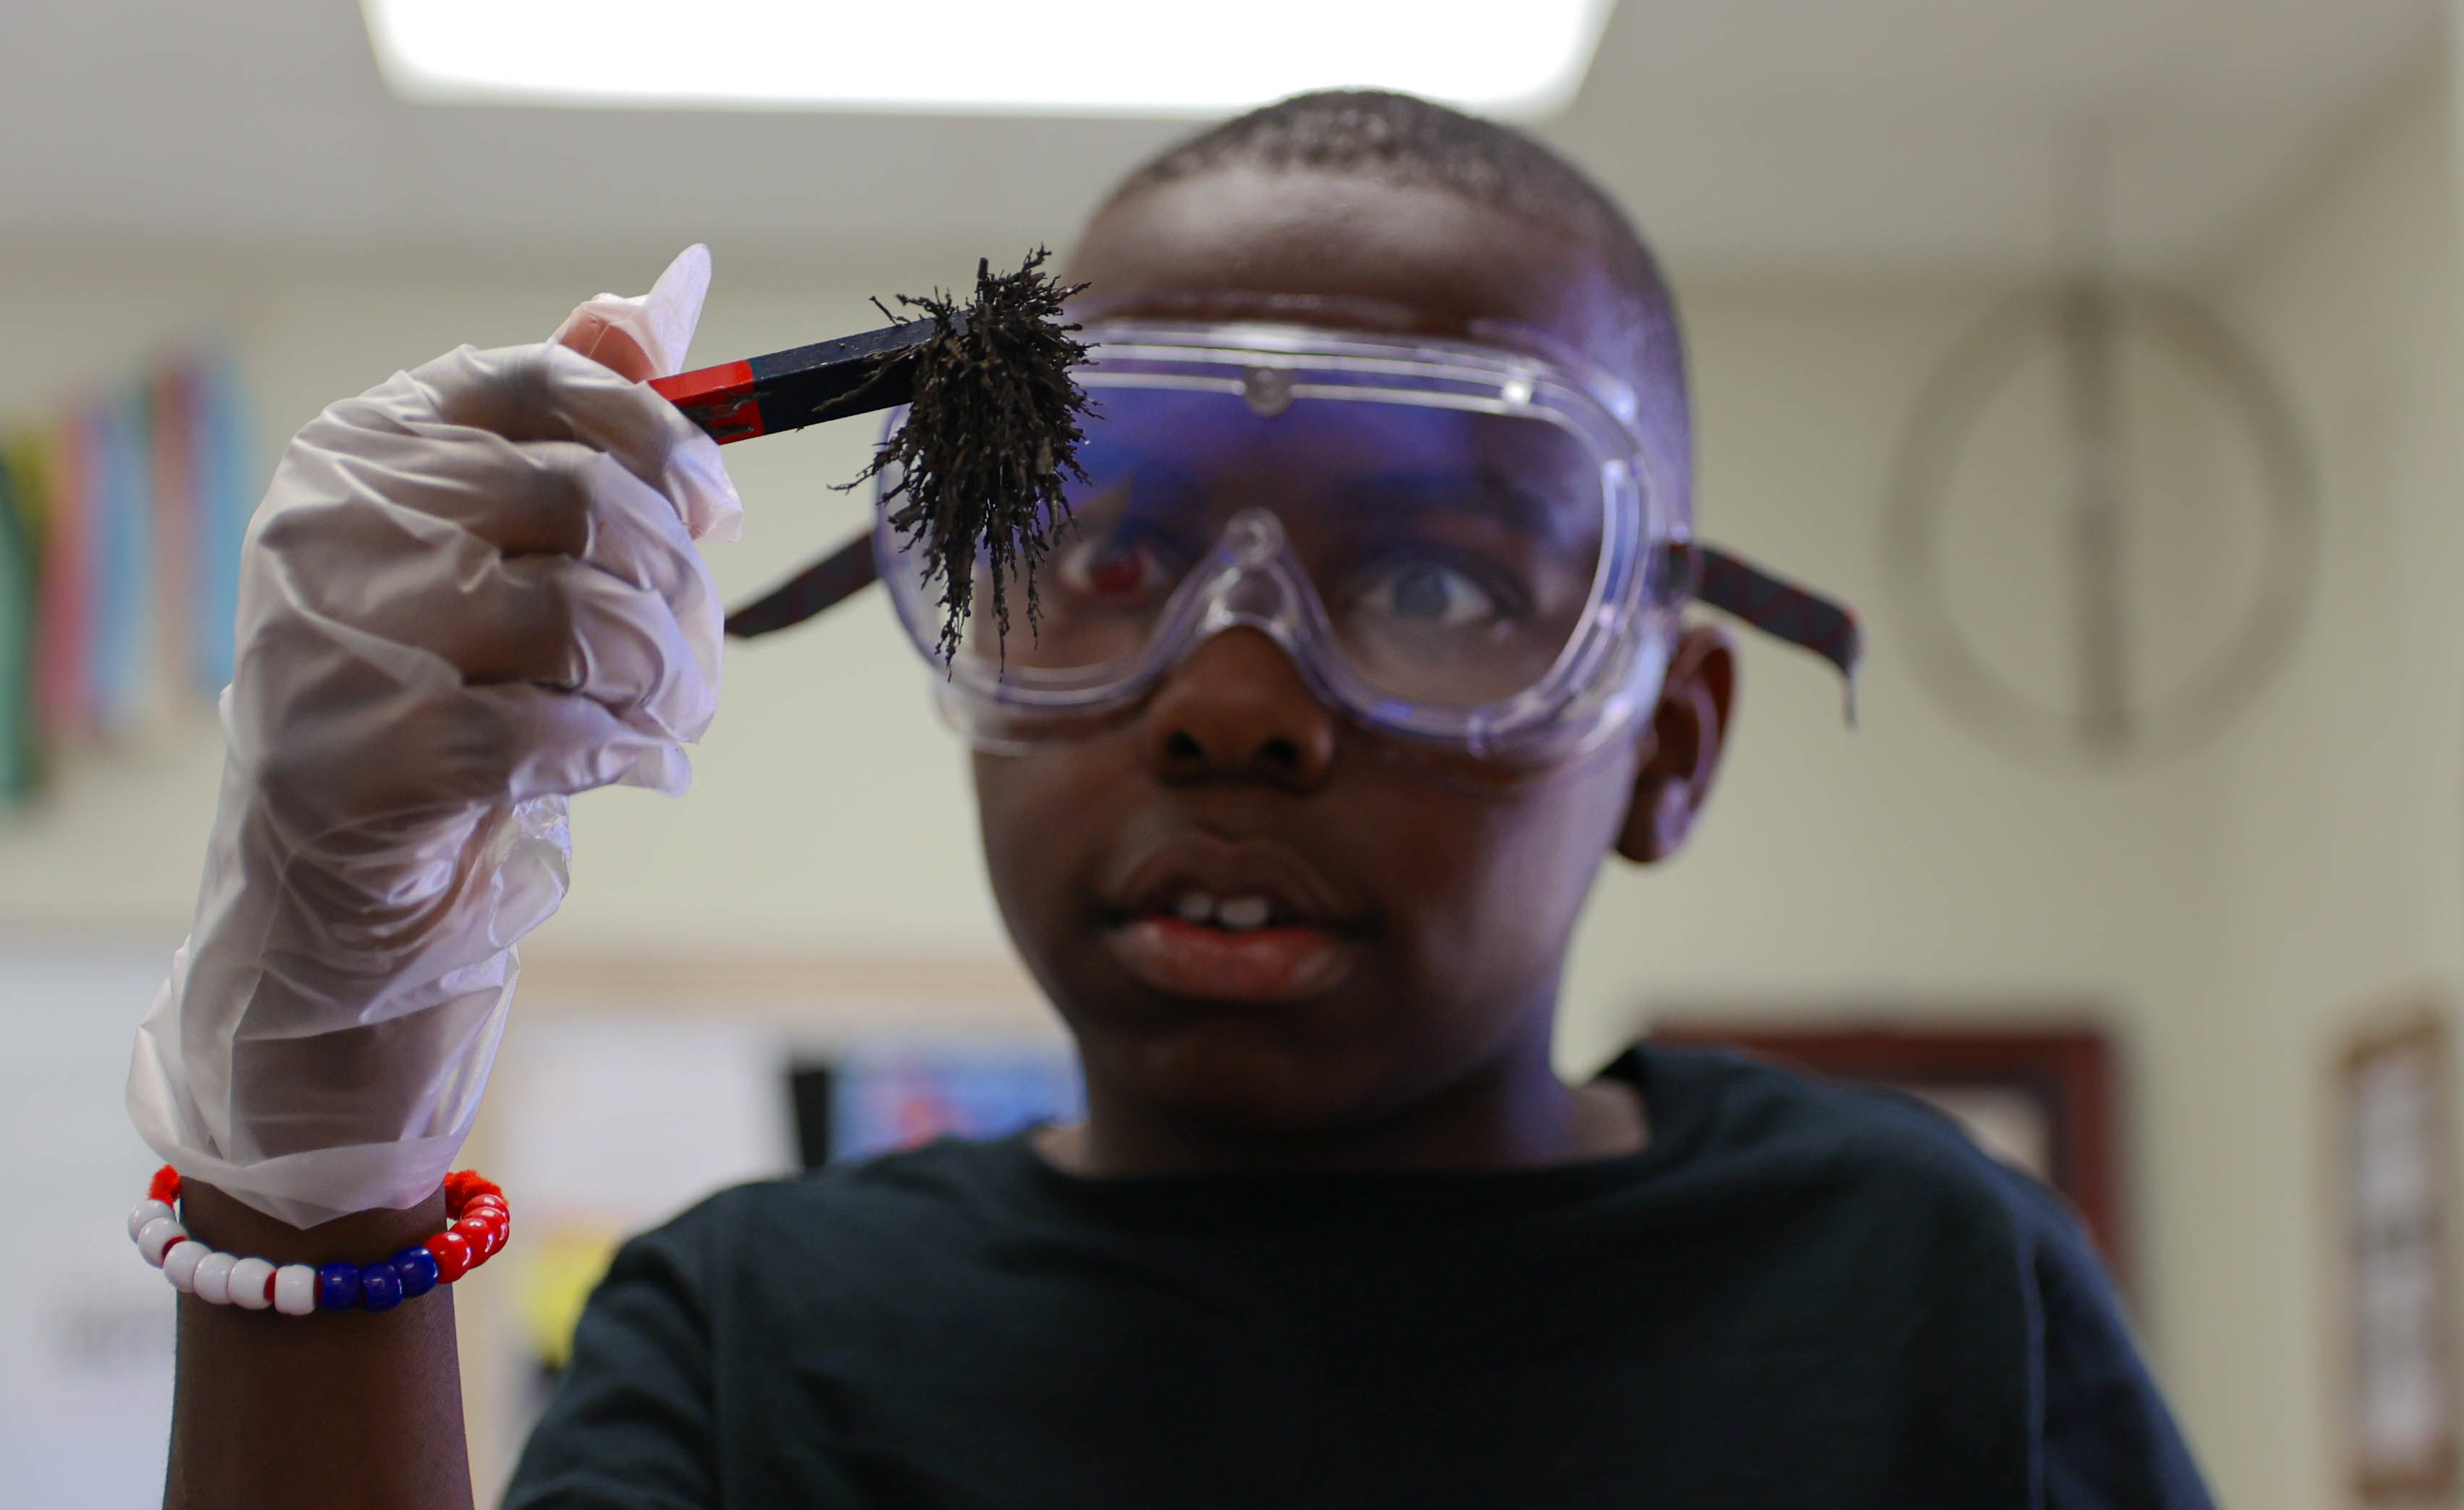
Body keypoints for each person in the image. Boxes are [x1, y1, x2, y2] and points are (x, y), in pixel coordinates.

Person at [131, 91, 2213, 1509]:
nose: (1231, 703)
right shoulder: (755, 1345)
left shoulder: (1916, 1282)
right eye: (1108, 559)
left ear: (1664, 744)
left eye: (1428, 578)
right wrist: (324, 1130)